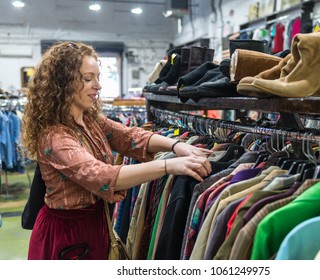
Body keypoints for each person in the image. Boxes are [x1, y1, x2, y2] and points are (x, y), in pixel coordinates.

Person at [21, 41, 212, 260]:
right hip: (66, 234)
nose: (98, 86)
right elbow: (103, 176)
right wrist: (168, 165)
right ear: (63, 83)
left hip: (95, 223)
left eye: (98, 77)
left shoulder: (89, 119)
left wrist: (177, 145)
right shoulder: (55, 138)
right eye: (87, 78)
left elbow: (130, 137)